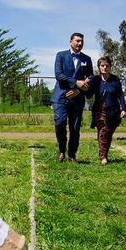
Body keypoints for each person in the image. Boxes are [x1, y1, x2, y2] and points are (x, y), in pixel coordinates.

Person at [51, 32, 93, 163]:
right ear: (70, 42)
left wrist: (79, 90)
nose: (79, 43)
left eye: (81, 41)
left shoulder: (87, 59)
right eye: (77, 41)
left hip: (78, 98)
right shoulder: (61, 55)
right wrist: (76, 82)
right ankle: (61, 150)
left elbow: (90, 77)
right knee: (60, 123)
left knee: (75, 128)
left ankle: (72, 155)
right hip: (61, 97)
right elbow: (59, 75)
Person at [87, 56, 126, 166]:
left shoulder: (115, 80)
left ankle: (105, 153)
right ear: (99, 67)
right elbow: (89, 94)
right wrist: (86, 85)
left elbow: (121, 95)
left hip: (113, 111)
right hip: (100, 110)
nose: (105, 67)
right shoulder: (96, 80)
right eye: (102, 66)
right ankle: (103, 157)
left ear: (110, 67)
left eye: (107, 66)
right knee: (103, 131)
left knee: (109, 133)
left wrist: (123, 109)